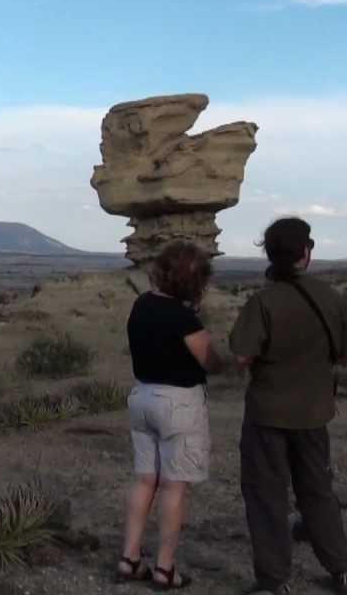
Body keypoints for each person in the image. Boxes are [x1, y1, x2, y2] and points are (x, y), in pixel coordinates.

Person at [229, 217, 347, 595]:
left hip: (267, 413)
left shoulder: (263, 302)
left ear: (269, 253)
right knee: (318, 491)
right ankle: (341, 569)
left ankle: (273, 580)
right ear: (306, 252)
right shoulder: (332, 299)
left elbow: (240, 356)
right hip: (314, 413)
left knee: (267, 496)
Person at [116, 241, 213, 590]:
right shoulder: (184, 317)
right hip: (178, 403)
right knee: (174, 486)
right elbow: (207, 358)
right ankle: (165, 567)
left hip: (141, 396)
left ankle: (129, 558)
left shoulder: (141, 305)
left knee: (145, 479)